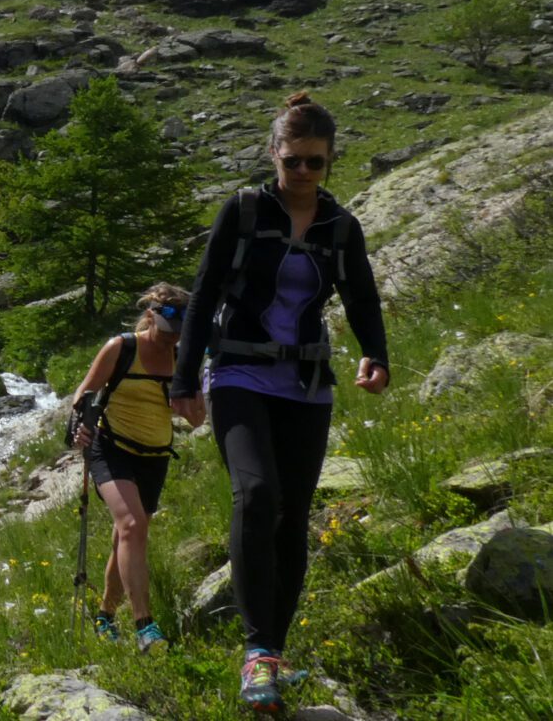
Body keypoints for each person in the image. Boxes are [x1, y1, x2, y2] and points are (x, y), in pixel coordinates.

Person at [169, 92, 389, 713]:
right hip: (238, 373)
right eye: (292, 161)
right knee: (257, 493)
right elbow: (205, 291)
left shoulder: (341, 228)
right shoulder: (242, 211)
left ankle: (275, 654)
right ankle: (256, 649)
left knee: (294, 513)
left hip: (308, 385)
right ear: (273, 155)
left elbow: (363, 296)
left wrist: (378, 354)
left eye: (315, 163)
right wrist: (185, 382)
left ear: (329, 162)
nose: (302, 173)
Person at [69, 282, 199, 654]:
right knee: (132, 525)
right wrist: (79, 423)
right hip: (111, 449)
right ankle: (145, 626)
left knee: (126, 538)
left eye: (178, 335)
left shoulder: (184, 356)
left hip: (156, 456)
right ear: (149, 317)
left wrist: (190, 400)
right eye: (166, 332)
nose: (170, 341)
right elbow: (85, 391)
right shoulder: (122, 347)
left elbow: (197, 420)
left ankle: (105, 615)